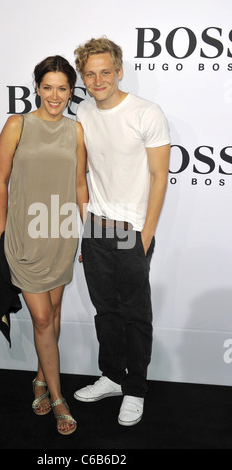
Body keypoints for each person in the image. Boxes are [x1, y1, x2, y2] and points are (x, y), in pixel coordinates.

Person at [73, 38, 171, 426]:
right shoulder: (82, 109)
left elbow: (159, 177)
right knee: (106, 312)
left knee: (135, 315)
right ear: (83, 77)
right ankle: (113, 376)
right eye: (90, 74)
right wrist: (86, 223)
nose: (98, 80)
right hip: (95, 229)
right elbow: (81, 173)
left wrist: (145, 235)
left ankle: (136, 389)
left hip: (133, 232)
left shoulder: (146, 112)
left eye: (105, 72)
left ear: (119, 70)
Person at [0, 55, 88, 436]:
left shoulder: (77, 131)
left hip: (62, 231)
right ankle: (59, 396)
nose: (54, 95)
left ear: (71, 91)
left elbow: (81, 185)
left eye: (62, 88)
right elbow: (1, 180)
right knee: (43, 318)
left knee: (54, 309)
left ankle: (39, 378)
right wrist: (2, 231)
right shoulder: (17, 124)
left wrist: (91, 235)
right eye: (47, 86)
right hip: (25, 235)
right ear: (36, 87)